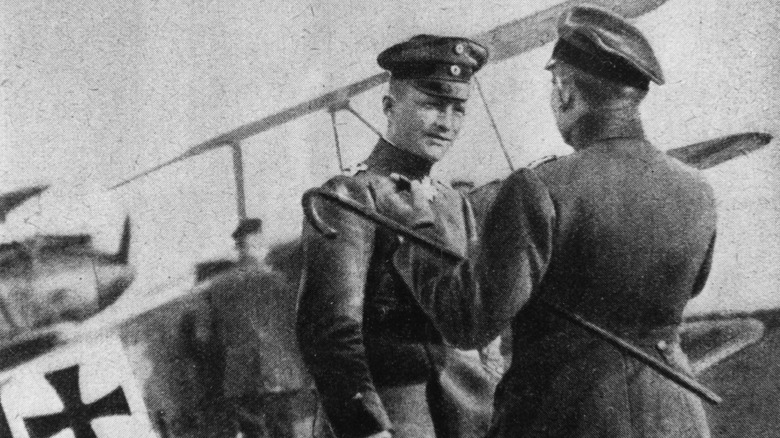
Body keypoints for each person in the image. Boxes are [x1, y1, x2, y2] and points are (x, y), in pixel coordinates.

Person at [394, 5, 717, 437]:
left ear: (563, 90)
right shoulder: (697, 187)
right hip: (676, 415)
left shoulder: (540, 187)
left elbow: (468, 324)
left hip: (566, 417)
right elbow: (691, 286)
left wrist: (417, 227)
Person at [296, 35, 489, 438]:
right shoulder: (349, 196)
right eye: (432, 105)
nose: (446, 123)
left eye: (457, 109)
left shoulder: (455, 204)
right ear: (389, 107)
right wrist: (367, 430)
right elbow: (330, 333)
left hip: (465, 413)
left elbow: (477, 323)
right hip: (392, 415)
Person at [186, 217, 314, 438]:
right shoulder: (278, 281)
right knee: (284, 432)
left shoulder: (217, 287)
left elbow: (202, 337)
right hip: (278, 373)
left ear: (240, 249)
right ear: (258, 246)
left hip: (239, 378)